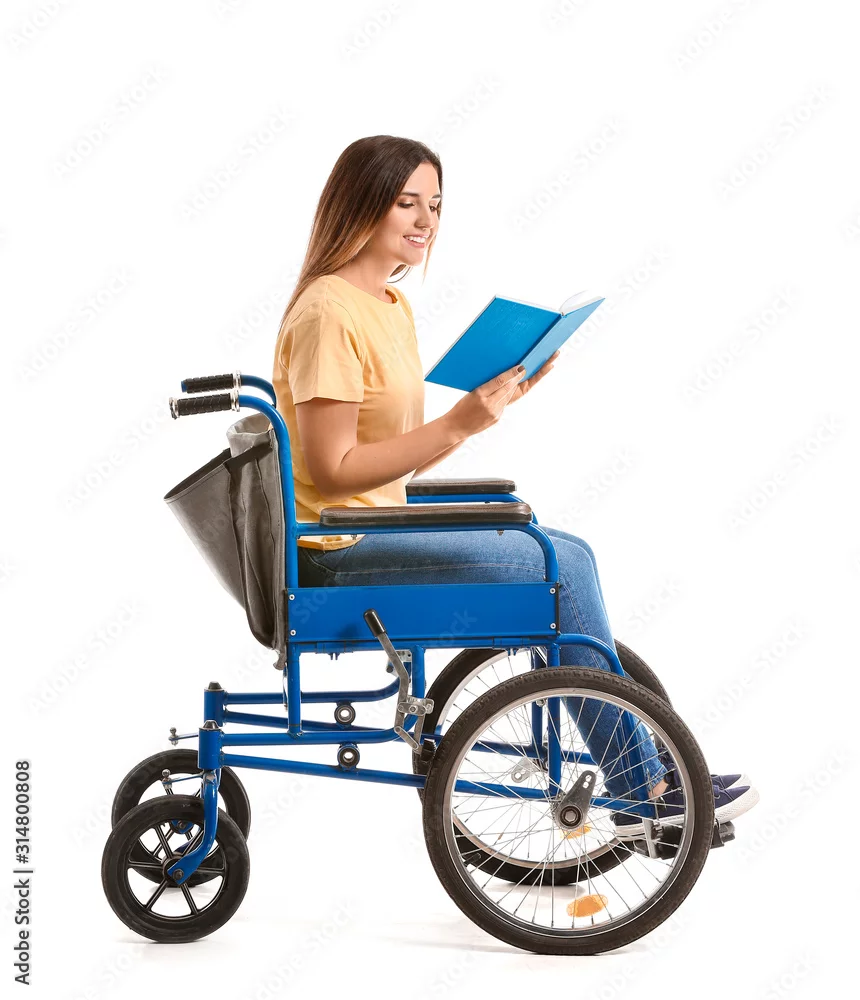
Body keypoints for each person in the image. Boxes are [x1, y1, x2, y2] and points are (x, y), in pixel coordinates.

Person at [271, 135, 759, 836]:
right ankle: (644, 788)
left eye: (435, 204)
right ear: (361, 204)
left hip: (376, 526)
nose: (425, 220)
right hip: (338, 550)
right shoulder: (328, 312)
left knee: (572, 552)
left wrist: (480, 416)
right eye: (407, 202)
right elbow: (333, 471)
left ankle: (648, 773)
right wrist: (457, 422)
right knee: (558, 566)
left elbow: (387, 463)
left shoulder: (388, 304)